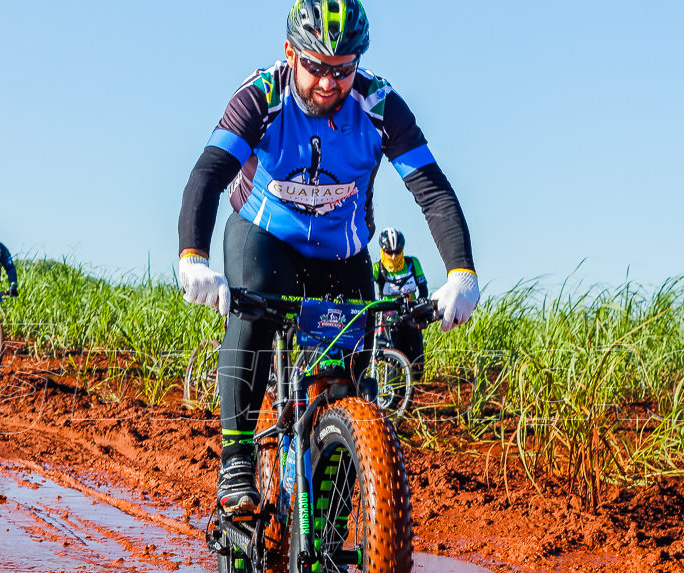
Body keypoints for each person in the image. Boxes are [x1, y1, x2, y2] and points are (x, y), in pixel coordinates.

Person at [177, 0, 479, 513]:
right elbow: (207, 175)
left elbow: (432, 190)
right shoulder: (263, 95)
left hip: (341, 254)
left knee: (350, 389)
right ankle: (237, 461)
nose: (327, 83)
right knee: (249, 317)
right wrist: (193, 258)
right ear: (290, 52)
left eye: (342, 70)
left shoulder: (380, 106)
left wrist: (461, 273)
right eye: (315, 66)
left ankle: (334, 525)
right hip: (264, 236)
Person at [372, 227, 428, 379]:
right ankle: (392, 392)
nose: (394, 255)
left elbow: (423, 290)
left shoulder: (412, 263)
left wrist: (421, 305)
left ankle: (412, 393)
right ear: (383, 251)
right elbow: (369, 290)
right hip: (389, 320)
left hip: (410, 316)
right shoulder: (378, 268)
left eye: (397, 251)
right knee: (393, 364)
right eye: (389, 252)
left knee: (417, 365)